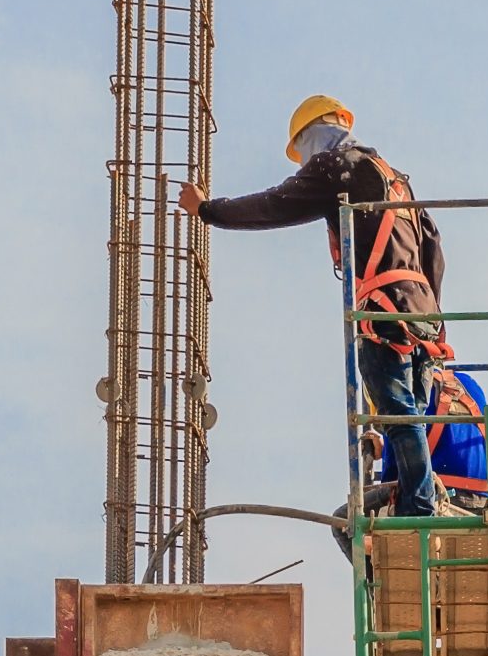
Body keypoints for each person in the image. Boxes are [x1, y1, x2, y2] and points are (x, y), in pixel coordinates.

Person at [178, 96, 451, 516]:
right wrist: (434, 320)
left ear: (310, 136)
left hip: (385, 314)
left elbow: (273, 206)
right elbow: (433, 248)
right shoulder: (395, 178)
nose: (302, 163)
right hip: (421, 317)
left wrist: (207, 210)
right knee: (408, 418)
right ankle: (421, 498)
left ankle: (419, 511)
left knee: (400, 418)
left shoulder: (335, 167)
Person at [333, 366, 488, 554]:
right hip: (483, 503)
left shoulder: (398, 395)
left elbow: (393, 480)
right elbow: (446, 443)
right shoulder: (467, 384)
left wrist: (389, 449)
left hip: (440, 498)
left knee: (342, 521)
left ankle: (377, 582)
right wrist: (385, 448)